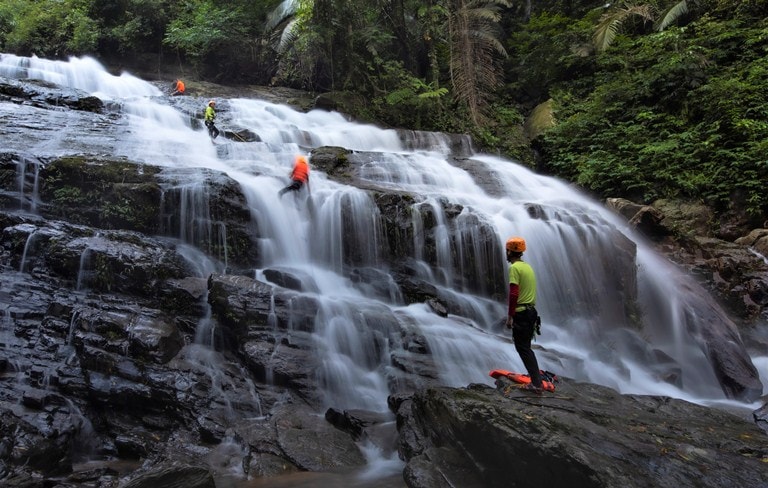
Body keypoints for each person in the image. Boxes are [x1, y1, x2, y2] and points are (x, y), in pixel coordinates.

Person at [504, 236, 543, 394]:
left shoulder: (514, 268)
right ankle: (536, 380)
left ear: (509, 251)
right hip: (531, 312)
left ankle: (536, 384)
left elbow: (514, 293)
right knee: (526, 348)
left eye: (506, 250)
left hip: (521, 313)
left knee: (523, 349)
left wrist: (510, 316)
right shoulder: (527, 267)